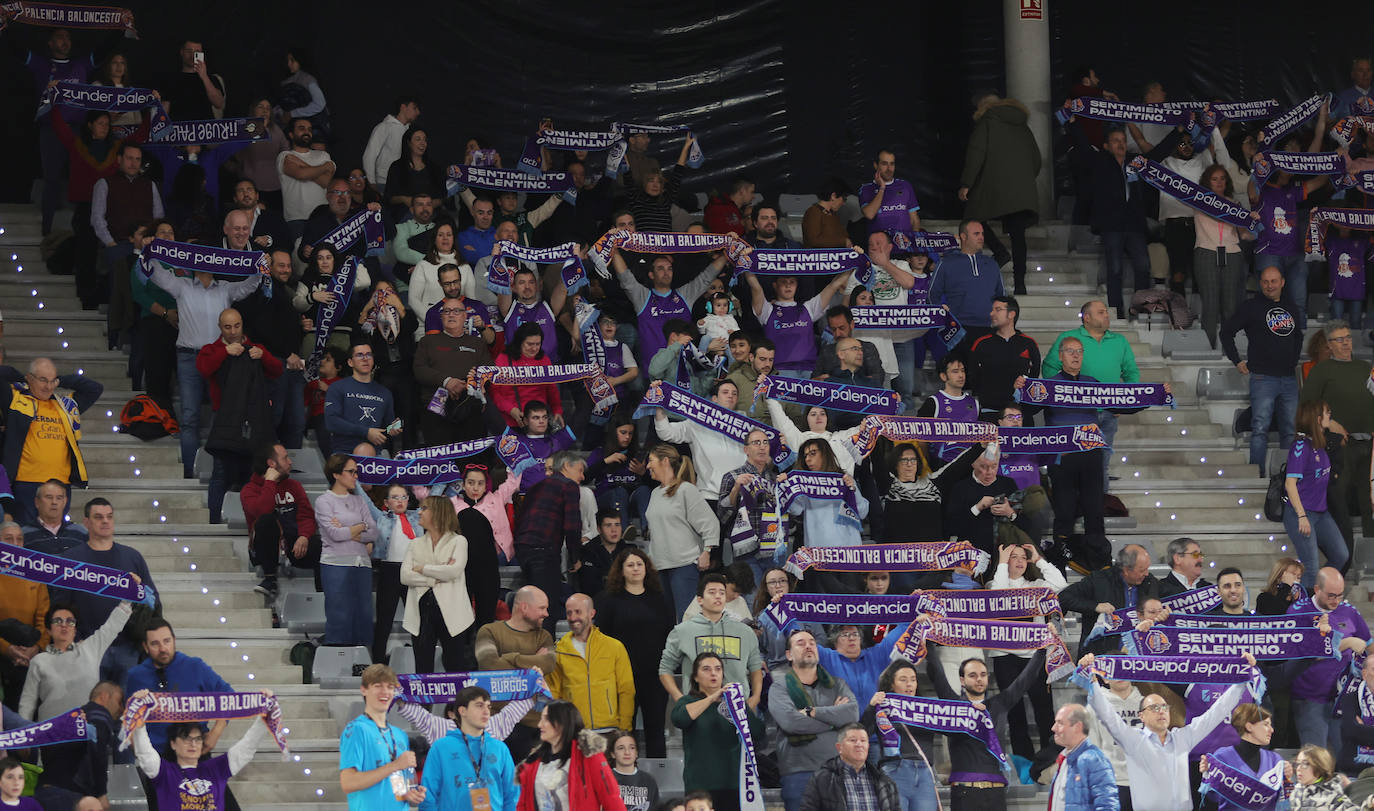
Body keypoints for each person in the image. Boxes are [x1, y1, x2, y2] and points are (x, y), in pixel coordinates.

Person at [1081, 651, 1253, 811]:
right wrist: (1091, 677)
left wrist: (1242, 680)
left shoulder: (1184, 738)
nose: (1161, 711)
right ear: (1141, 716)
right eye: (1154, 708)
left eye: (1164, 707)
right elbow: (1107, 715)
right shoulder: (1133, 740)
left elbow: (1217, 712)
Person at [147, 248, 264, 481]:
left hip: (219, 358)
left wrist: (260, 266)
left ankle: (214, 471)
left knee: (219, 415)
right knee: (190, 418)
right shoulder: (182, 285)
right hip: (189, 357)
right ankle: (191, 472)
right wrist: (151, 250)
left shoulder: (224, 288)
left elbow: (249, 285)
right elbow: (155, 273)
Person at [1062, 109, 1184, 318]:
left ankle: (1140, 309)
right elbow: (1082, 145)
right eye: (1115, 140)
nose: (1121, 144)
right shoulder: (1100, 162)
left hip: (1134, 225)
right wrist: (1069, 119)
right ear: (1106, 146)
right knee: (1115, 269)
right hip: (1111, 226)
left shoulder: (1134, 163)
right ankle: (1117, 312)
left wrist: (1179, 131)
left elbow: (1158, 153)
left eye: (1123, 140)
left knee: (1143, 267)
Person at [48, 499, 156, 686]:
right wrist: (72, 641)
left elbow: (152, 602)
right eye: (98, 517)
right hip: (87, 646)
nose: (105, 521)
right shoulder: (71, 559)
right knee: (89, 707)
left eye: (109, 517)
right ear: (87, 523)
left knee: (126, 708)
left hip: (127, 647)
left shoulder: (132, 557)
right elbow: (61, 605)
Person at [926, 646, 1047, 811]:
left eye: (983, 675)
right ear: (962, 680)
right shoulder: (953, 707)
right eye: (972, 675)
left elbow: (1026, 678)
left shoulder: (999, 704)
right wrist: (927, 642)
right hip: (964, 792)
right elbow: (937, 673)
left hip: (995, 792)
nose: (979, 679)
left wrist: (1042, 649)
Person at [197, 306, 283, 524]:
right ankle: (215, 521)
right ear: (220, 328)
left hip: (252, 420)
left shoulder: (255, 348)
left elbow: (277, 370)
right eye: (227, 327)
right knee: (220, 471)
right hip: (223, 418)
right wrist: (224, 353)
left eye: (237, 326)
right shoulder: (211, 349)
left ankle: (248, 521)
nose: (233, 331)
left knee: (251, 472)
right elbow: (204, 369)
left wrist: (263, 356)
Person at [1219, 266, 1303, 476]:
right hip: (1262, 377)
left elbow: (1298, 337)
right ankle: (1256, 477)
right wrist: (1236, 360)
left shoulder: (1291, 307)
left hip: (1288, 378)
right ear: (1260, 283)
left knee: (1290, 431)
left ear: (1282, 282)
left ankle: (1287, 478)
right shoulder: (1251, 307)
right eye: (1265, 281)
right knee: (1260, 429)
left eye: (1274, 281)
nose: (1269, 286)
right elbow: (1226, 332)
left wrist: (1292, 361)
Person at [594, 549, 675, 759]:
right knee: (623, 731)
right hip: (621, 676)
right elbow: (602, 637)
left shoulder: (660, 599)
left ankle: (656, 781)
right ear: (621, 571)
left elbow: (670, 634)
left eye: (639, 564)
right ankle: (624, 780)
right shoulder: (609, 600)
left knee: (655, 728)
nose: (636, 569)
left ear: (646, 568)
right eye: (630, 565)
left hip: (655, 675)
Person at [958, 93, 1042, 295]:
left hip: (993, 185)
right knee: (1018, 235)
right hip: (1021, 190)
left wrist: (966, 184)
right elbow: (1037, 159)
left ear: (983, 108)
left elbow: (976, 152)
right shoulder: (1022, 125)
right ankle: (1020, 284)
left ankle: (1000, 252)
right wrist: (1024, 181)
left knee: (972, 217)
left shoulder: (987, 122)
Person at [989, 542, 1066, 760]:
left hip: (1034, 657)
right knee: (1014, 712)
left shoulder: (1038, 585)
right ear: (1005, 561)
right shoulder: (994, 583)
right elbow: (998, 598)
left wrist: (1039, 559)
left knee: (1044, 710)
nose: (1021, 561)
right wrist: (1002, 563)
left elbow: (1060, 583)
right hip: (1004, 656)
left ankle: (1050, 760)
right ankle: (1024, 763)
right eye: (1014, 557)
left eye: (1024, 557)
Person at [770, 628, 861, 811]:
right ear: (788, 655)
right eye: (801, 643)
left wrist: (812, 712)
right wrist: (834, 719)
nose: (808, 646)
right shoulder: (779, 687)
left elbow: (852, 715)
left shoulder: (837, 684)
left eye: (812, 642)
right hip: (798, 774)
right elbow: (792, 722)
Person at [1301, 321, 1374, 545]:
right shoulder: (1322, 370)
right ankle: (1342, 554)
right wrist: (1330, 424)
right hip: (1340, 445)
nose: (1345, 343)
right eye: (1339, 339)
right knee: (1338, 498)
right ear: (1329, 345)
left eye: (1348, 338)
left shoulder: (1365, 367)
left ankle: (1370, 551)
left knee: (1369, 499)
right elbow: (1306, 406)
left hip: (1369, 443)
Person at [1287, 567, 1369, 752]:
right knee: (1316, 761)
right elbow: (1303, 653)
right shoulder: (1297, 612)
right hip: (1310, 699)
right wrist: (1346, 642)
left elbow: (1369, 645)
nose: (1336, 601)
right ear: (1317, 589)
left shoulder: (1349, 611)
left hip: (1345, 697)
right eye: (1331, 595)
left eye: (1340, 595)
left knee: (1347, 758)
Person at [124, 619, 236, 754]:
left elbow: (229, 696)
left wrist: (215, 733)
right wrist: (138, 749)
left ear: (174, 640)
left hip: (195, 753)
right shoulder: (136, 676)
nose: (163, 649)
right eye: (155, 644)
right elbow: (129, 717)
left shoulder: (195, 666)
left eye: (167, 641)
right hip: (157, 757)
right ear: (146, 647)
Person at [669, 651, 763, 811]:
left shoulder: (734, 704)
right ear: (696, 677)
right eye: (706, 669)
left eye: (718, 669)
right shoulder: (688, 701)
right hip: (700, 786)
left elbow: (758, 732)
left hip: (733, 783)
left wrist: (740, 707)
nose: (713, 673)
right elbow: (680, 719)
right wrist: (711, 698)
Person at [474, 586, 557, 761]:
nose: (547, 614)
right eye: (542, 608)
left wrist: (510, 658)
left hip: (533, 725)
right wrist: (532, 660)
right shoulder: (488, 631)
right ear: (524, 607)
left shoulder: (544, 636)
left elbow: (548, 663)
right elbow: (489, 665)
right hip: (497, 724)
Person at [658, 574, 763, 713]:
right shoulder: (682, 631)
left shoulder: (745, 632)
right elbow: (665, 669)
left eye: (722, 593)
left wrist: (755, 697)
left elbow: (756, 668)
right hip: (697, 708)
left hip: (739, 709)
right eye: (712, 592)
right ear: (699, 600)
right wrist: (680, 698)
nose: (718, 596)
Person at [18, 599, 131, 722]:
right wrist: (23, 733)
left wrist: (128, 597)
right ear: (49, 630)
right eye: (57, 621)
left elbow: (111, 627)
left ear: (75, 629)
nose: (64, 625)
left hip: (88, 729)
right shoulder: (39, 661)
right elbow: (27, 703)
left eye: (70, 621)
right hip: (51, 732)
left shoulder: (90, 648)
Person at [642, 444, 720, 619]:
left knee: (687, 619)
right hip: (659, 566)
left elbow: (710, 523)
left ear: (665, 461)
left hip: (683, 565)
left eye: (651, 461)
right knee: (665, 620)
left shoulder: (686, 490)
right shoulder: (655, 493)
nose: (647, 466)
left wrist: (707, 551)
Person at [240, 249, 308, 449]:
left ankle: (291, 471)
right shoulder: (265, 289)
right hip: (275, 363)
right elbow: (262, 327)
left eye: (288, 266)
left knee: (296, 421)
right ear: (269, 268)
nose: (286, 270)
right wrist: (287, 354)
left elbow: (280, 326)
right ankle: (265, 467)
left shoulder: (284, 290)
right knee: (274, 417)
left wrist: (299, 326)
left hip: (293, 364)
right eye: (281, 265)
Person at [513, 451, 586, 634]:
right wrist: (575, 557)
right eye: (580, 470)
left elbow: (520, 518)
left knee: (532, 606)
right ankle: (543, 654)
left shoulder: (536, 486)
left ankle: (530, 650)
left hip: (523, 548)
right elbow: (572, 525)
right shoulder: (568, 486)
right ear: (566, 466)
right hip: (544, 550)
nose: (582, 476)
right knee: (546, 608)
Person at [417, 685, 519, 811]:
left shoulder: (500, 748)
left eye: (488, 706)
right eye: (479, 705)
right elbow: (428, 796)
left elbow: (512, 795)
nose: (486, 711)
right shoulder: (441, 747)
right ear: (462, 711)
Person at [400, 495, 472, 674]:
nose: (419, 512)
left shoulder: (458, 541)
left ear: (438, 513)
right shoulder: (415, 543)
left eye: (424, 508)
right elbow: (405, 576)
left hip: (453, 612)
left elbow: (453, 571)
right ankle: (423, 703)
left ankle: (457, 703)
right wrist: (435, 576)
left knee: (455, 668)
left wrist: (422, 568)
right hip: (421, 611)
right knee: (422, 669)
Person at [339, 664, 427, 811]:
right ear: (364, 690)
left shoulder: (399, 734)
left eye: (390, 687)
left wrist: (409, 794)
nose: (385, 692)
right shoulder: (356, 729)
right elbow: (348, 783)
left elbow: (396, 783)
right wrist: (394, 765)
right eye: (378, 686)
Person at [315, 454, 379, 647]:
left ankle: (362, 663)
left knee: (364, 616)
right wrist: (361, 527)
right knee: (339, 615)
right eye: (351, 472)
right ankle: (338, 662)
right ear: (336, 474)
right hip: (336, 565)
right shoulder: (323, 501)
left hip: (362, 565)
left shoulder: (359, 501)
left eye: (356, 472)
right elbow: (335, 534)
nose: (355, 476)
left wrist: (350, 529)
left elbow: (374, 532)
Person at [241, 443, 320, 601]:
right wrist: (270, 483)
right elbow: (263, 511)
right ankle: (270, 579)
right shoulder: (249, 491)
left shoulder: (294, 486)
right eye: (285, 458)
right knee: (266, 520)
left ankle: (323, 596)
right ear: (271, 463)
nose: (290, 462)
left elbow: (307, 517)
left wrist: (304, 536)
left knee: (321, 544)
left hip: (295, 545)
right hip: (265, 549)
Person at [515, 701, 627, 811]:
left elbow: (612, 799)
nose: (540, 724)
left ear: (562, 722)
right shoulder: (532, 762)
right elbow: (523, 805)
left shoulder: (589, 756)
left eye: (546, 719)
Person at [742, 267, 852, 379]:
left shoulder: (808, 309)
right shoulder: (767, 311)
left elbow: (833, 285)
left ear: (796, 286)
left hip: (809, 370)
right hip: (781, 371)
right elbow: (756, 287)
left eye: (792, 282)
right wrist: (745, 264)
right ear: (775, 285)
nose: (788, 285)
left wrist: (852, 263)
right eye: (784, 282)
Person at [31, 680, 123, 811]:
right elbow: (98, 754)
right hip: (71, 795)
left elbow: (48, 747)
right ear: (104, 696)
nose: (121, 709)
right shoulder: (100, 718)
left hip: (45, 790)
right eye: (119, 701)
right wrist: (101, 793)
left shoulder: (71, 719)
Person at [549, 593, 635, 733]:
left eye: (578, 612)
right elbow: (554, 693)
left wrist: (624, 728)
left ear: (591, 613)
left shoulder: (614, 647)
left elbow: (626, 690)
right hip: (573, 731)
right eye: (569, 613)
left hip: (609, 729)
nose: (572, 617)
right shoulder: (558, 651)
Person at [1283, 400, 1348, 584]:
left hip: (1321, 512)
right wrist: (1302, 516)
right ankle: (1304, 609)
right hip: (1301, 513)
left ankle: (1321, 592)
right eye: (1327, 413)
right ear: (1318, 419)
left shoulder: (1319, 444)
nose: (1330, 416)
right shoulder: (1301, 446)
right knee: (1310, 567)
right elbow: (1290, 483)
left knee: (1341, 555)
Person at [862, 660, 939, 811]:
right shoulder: (883, 706)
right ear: (891, 684)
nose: (909, 684)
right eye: (903, 680)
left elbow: (955, 727)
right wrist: (871, 707)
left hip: (925, 774)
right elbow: (862, 732)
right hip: (895, 771)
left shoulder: (928, 708)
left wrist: (973, 710)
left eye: (913, 679)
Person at [1059, 544, 1157, 655]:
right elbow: (1063, 598)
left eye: (1147, 568)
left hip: (1139, 658)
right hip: (1101, 657)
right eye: (1142, 570)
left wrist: (1162, 613)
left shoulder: (1150, 582)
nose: (1146, 573)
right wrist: (1095, 606)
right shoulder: (1099, 580)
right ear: (1126, 570)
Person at [91, 143, 162, 284]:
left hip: (146, 245)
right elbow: (97, 219)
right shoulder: (105, 184)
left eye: (137, 159)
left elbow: (159, 217)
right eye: (129, 158)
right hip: (118, 244)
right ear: (119, 159)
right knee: (120, 281)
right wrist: (111, 244)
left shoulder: (150, 185)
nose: (133, 163)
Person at [785, 438, 869, 555]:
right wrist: (789, 488)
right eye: (805, 456)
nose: (808, 459)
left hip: (849, 552)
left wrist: (853, 490)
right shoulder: (804, 483)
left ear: (825, 454)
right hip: (819, 554)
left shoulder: (844, 479)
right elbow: (795, 509)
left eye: (813, 453)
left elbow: (862, 512)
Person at [928, 219, 1006, 342]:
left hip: (988, 328)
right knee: (958, 362)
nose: (981, 237)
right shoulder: (946, 263)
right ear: (963, 236)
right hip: (958, 329)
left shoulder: (992, 264)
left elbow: (1001, 297)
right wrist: (945, 319)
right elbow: (932, 294)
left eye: (982, 234)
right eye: (976, 234)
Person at [968, 296, 1041, 419]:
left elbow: (1034, 374)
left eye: (998, 309)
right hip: (989, 411)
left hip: (1020, 412)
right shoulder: (981, 343)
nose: (992, 313)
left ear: (1011, 314)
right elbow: (972, 375)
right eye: (992, 310)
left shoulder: (1029, 343)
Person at [324, 341, 400, 452]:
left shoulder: (384, 393)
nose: (365, 359)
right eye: (360, 355)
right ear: (350, 362)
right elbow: (331, 422)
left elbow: (387, 428)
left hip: (374, 455)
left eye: (369, 355)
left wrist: (393, 429)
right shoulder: (337, 388)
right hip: (344, 454)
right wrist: (366, 432)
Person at [1050, 704, 1121, 811]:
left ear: (1077, 727)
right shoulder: (1065, 758)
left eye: (1060, 723)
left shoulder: (1094, 760)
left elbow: (1107, 805)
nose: (1053, 728)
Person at [277, 117, 335, 234]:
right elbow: (301, 174)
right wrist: (324, 167)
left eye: (309, 129)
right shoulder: (285, 155)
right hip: (297, 219)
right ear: (291, 134)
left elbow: (326, 182)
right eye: (301, 128)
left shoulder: (323, 155)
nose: (306, 132)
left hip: (322, 216)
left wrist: (300, 163)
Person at [362, 95, 421, 195]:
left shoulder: (410, 132)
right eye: (414, 108)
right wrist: (371, 182)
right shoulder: (384, 127)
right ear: (403, 107)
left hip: (404, 185)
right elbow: (369, 156)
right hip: (384, 184)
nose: (418, 112)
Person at [859, 149, 921, 234]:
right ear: (876, 165)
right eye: (884, 164)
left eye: (892, 164)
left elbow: (914, 219)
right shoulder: (866, 188)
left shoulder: (905, 186)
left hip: (905, 243)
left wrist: (915, 239)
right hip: (880, 245)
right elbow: (870, 214)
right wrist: (882, 188)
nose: (889, 168)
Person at [21, 480, 87, 554]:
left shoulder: (80, 532)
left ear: (65, 502)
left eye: (59, 498)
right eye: (49, 497)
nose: (54, 502)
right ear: (37, 502)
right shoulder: (24, 534)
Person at [1289, 746, 1357, 811]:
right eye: (1297, 763)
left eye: (1305, 764)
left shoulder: (1333, 797)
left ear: (1319, 766)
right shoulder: (1296, 791)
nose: (1298, 768)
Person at [607, 730, 659, 811]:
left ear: (636, 753)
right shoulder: (605, 779)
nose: (627, 752)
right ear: (613, 754)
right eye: (621, 748)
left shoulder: (649, 780)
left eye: (632, 748)